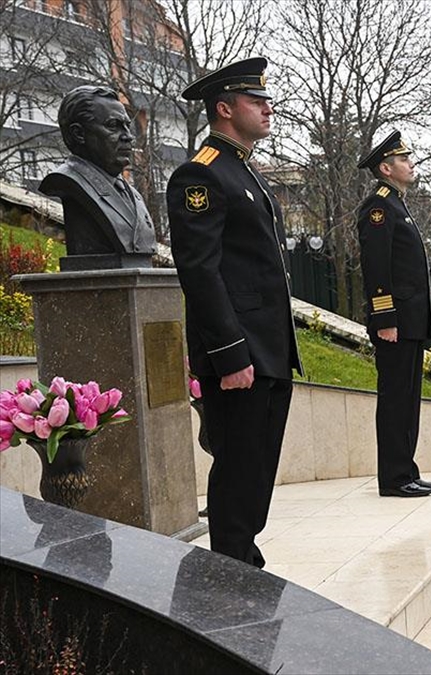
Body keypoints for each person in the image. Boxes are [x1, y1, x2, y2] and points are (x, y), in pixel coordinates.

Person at [168, 57, 303, 568]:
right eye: (256, 101)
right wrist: (229, 355)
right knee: (239, 466)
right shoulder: (199, 176)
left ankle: (243, 555)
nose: (268, 109)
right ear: (224, 108)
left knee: (258, 464)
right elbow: (200, 273)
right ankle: (230, 564)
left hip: (267, 347)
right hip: (240, 353)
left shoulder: (243, 172)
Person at [355, 131, 431, 498]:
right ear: (386, 168)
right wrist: (385, 318)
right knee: (394, 400)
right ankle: (393, 477)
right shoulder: (378, 207)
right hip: (395, 323)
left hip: (410, 321)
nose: (411, 164)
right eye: (404, 160)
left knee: (408, 398)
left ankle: (407, 469)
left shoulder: (397, 205)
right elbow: (377, 268)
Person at [40, 85, 157, 262]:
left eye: (127, 126)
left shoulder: (133, 195)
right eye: (113, 126)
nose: (128, 136)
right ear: (79, 133)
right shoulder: (70, 181)